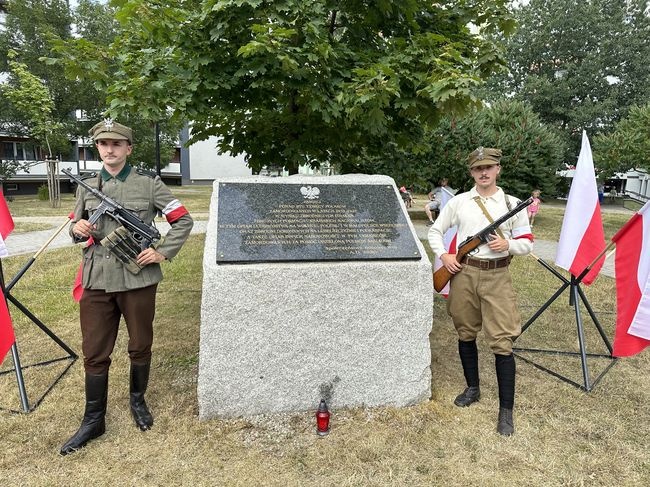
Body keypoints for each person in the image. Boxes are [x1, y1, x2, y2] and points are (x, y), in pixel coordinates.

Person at [60, 119, 193, 455]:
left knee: (140, 344)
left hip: (137, 278)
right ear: (98, 149)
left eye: (116, 144)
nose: (109, 150)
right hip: (96, 279)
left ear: (128, 148)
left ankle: (137, 401)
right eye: (103, 144)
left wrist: (162, 252)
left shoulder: (149, 184)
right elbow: (76, 232)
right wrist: (78, 229)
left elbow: (182, 219)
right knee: (94, 351)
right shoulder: (87, 185)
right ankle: (93, 419)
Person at [428, 147, 533, 436]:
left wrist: (508, 245)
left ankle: (505, 410)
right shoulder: (460, 202)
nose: (483, 172)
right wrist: (446, 256)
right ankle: (472, 388)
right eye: (477, 169)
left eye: (489, 167)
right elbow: (435, 231)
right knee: (465, 331)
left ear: (498, 168)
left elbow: (527, 242)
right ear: (471, 172)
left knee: (502, 342)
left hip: (498, 275)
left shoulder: (512, 203)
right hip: (464, 273)